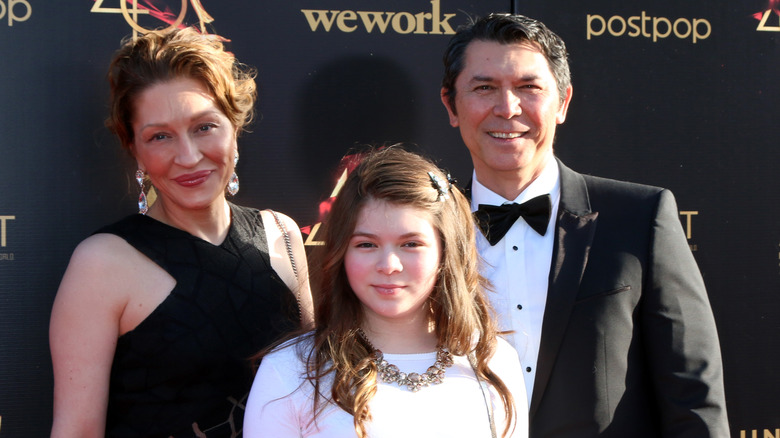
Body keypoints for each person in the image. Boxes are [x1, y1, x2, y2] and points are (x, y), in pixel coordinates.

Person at [439, 13, 729, 437]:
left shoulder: (640, 216)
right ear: (451, 105)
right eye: (484, 88)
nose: (507, 108)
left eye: (529, 88)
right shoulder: (425, 231)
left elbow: (694, 394)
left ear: (563, 103)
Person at [49, 28, 314, 438]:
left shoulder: (282, 233)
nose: (188, 157)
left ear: (234, 127)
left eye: (204, 127)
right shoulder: (102, 263)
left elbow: (313, 396)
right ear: (134, 149)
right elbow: (78, 431)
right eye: (160, 136)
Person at [243, 146, 528, 437]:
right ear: (342, 252)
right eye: (367, 244)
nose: (389, 265)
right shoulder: (290, 372)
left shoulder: (494, 362)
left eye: (410, 244)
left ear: (445, 251)